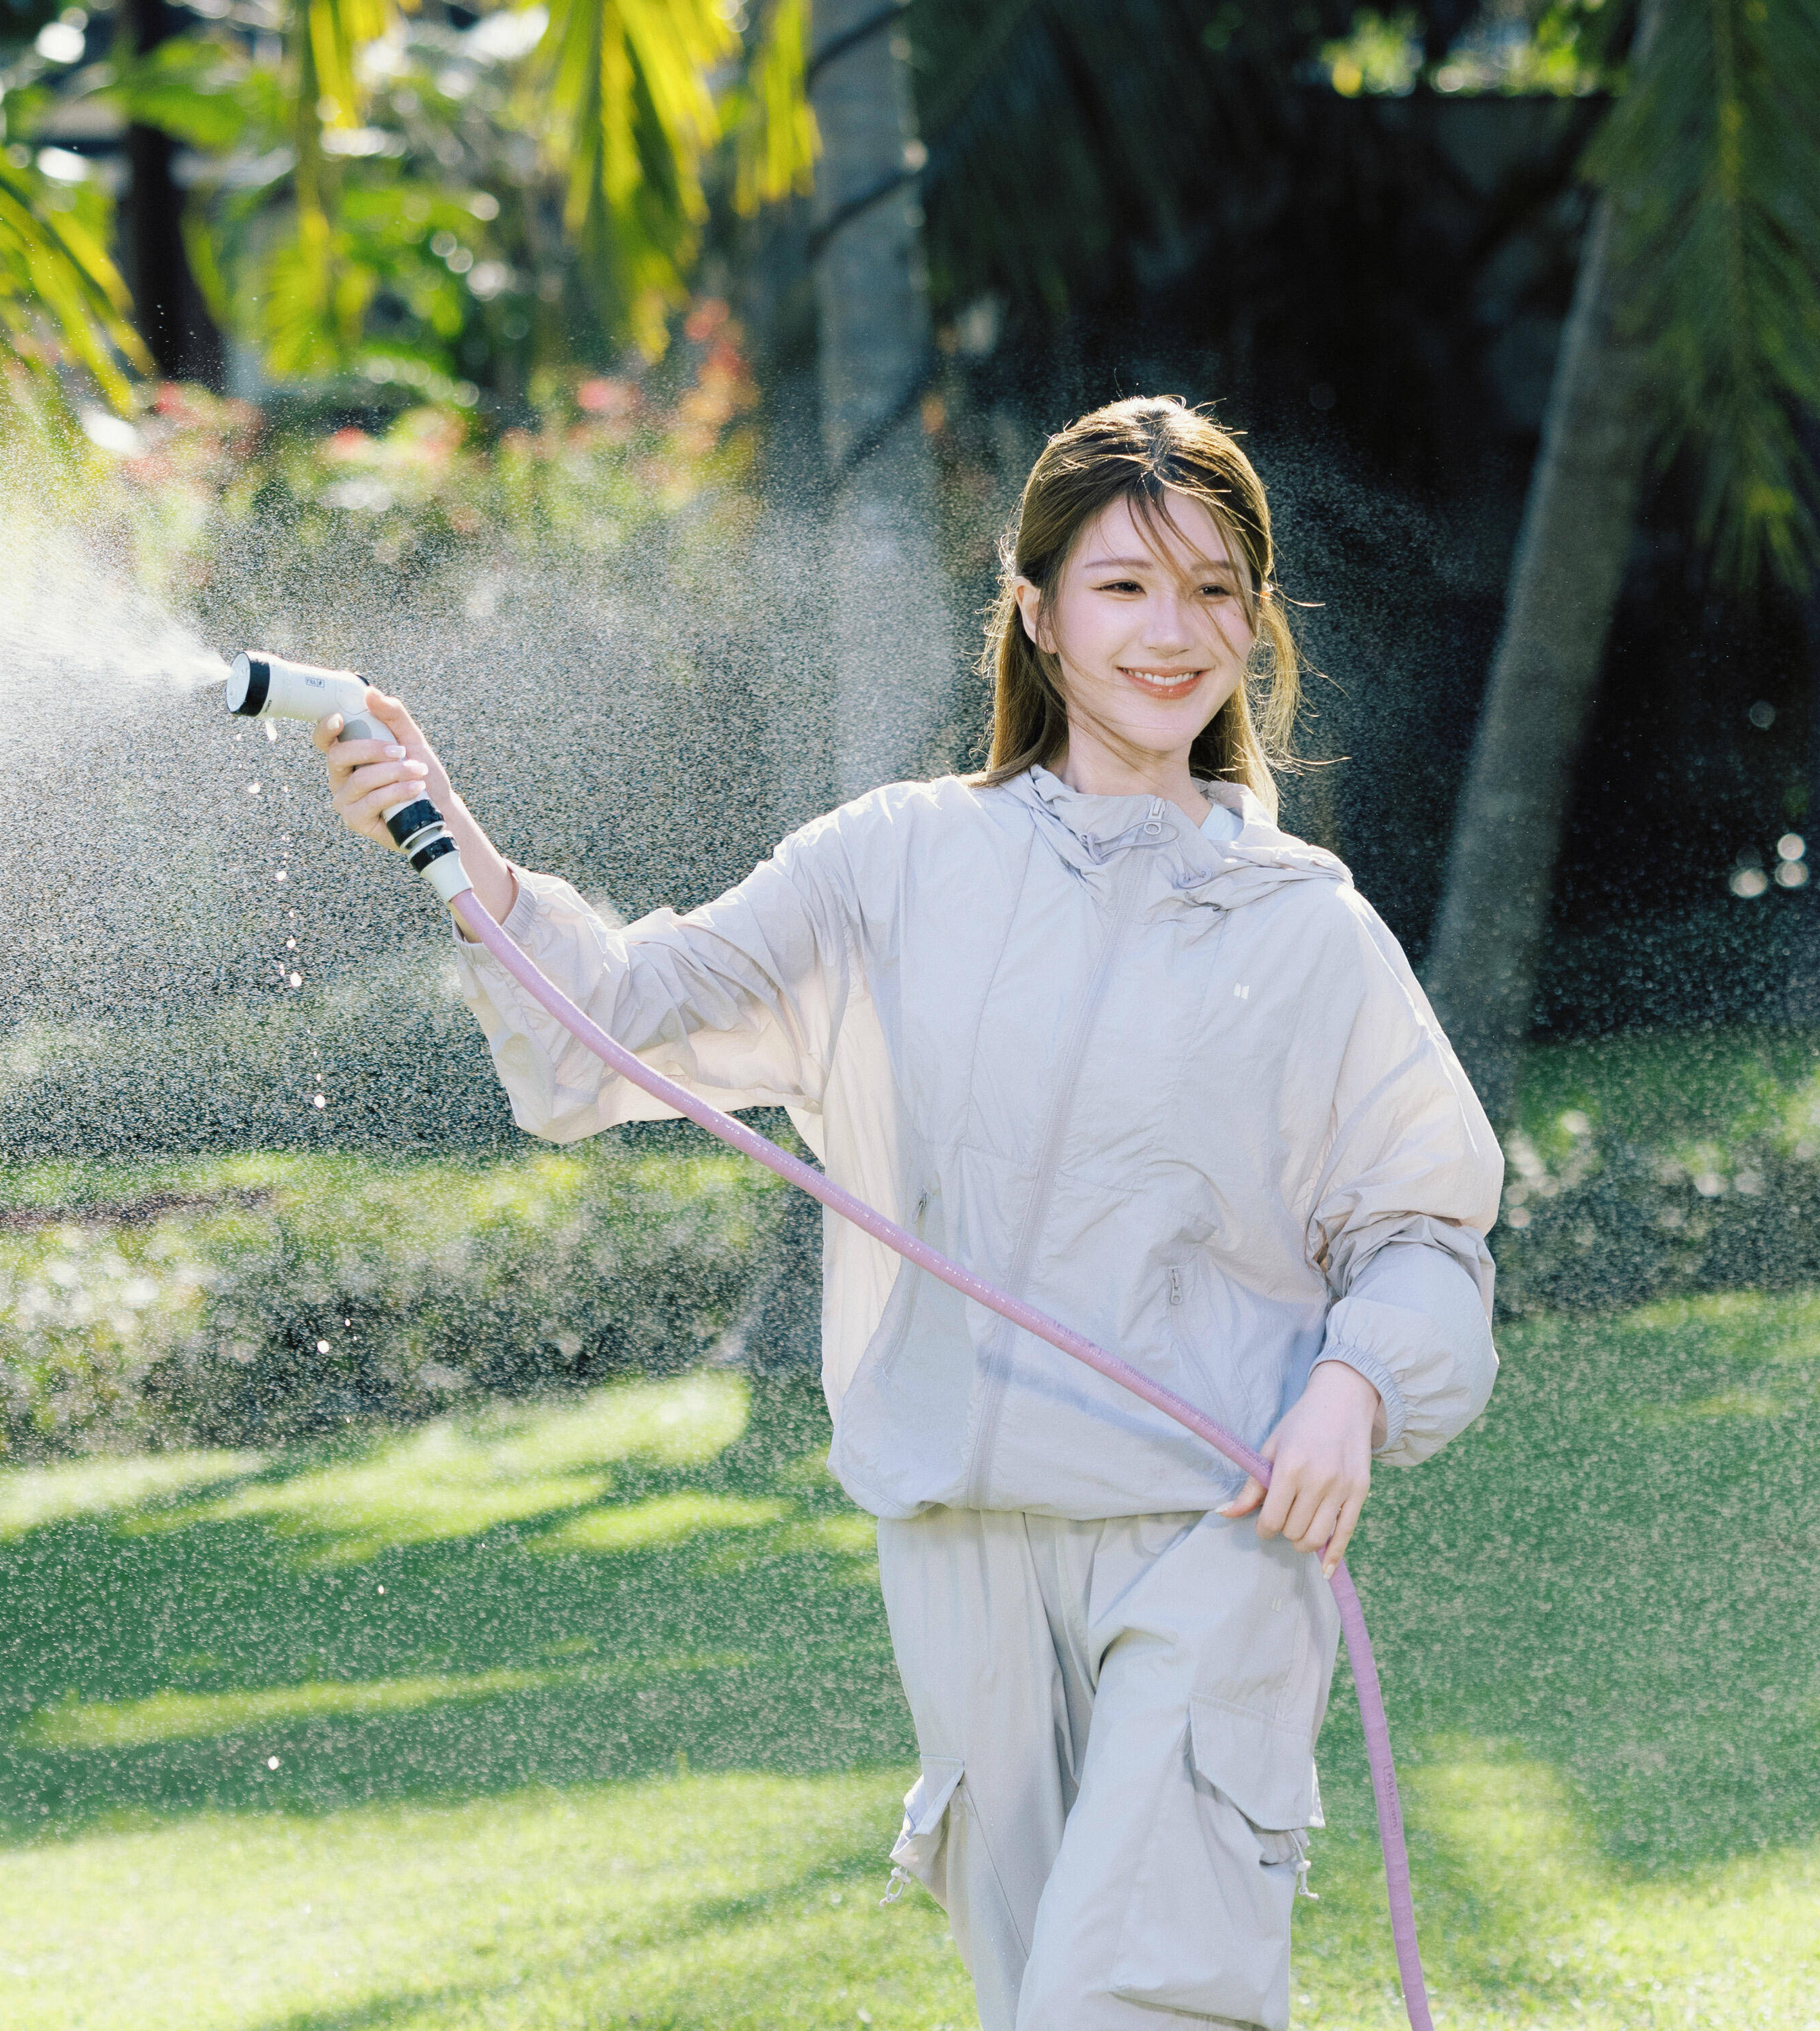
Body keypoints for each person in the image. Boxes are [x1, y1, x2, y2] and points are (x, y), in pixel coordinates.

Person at [313, 395, 1502, 2031]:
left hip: (1214, 1533)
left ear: (1254, 623)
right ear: (1035, 612)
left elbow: (1423, 1231)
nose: (1170, 633)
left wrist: (1353, 1391)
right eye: (1122, 586)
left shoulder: (1308, 930)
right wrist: (459, 852)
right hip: (956, 1546)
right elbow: (619, 1026)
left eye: (1211, 590)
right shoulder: (890, 865)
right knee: (1038, 1997)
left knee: (1129, 2000)